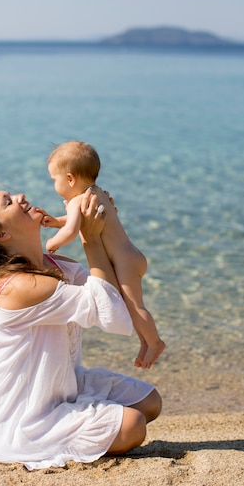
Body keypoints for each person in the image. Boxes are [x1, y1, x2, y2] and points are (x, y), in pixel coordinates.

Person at [0, 186, 162, 470]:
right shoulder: (19, 286)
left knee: (149, 402)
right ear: (1, 234)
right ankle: (52, 436)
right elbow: (111, 313)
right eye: (8, 202)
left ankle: (79, 410)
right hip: (20, 417)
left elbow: (112, 288)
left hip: (60, 382)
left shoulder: (56, 265)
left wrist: (105, 223)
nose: (20, 197)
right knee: (133, 426)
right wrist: (90, 239)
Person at [45, 140, 165, 369]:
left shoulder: (77, 200)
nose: (54, 184)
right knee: (133, 307)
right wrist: (54, 222)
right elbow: (73, 221)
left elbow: (71, 230)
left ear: (69, 179)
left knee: (136, 307)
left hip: (125, 263)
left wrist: (52, 242)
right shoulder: (96, 193)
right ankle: (145, 342)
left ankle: (155, 342)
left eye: (54, 180)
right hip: (129, 257)